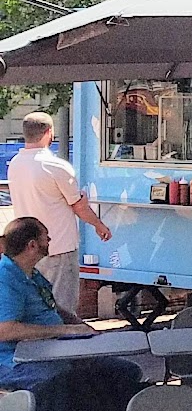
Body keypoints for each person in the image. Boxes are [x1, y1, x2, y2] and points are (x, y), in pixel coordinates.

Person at [0, 217, 142, 411]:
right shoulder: (5, 277)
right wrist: (65, 331)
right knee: (61, 389)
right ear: (33, 245)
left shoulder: (33, 275)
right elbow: (5, 330)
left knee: (123, 374)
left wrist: (80, 326)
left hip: (59, 354)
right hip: (17, 364)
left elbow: (54, 309)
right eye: (46, 236)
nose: (52, 241)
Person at [6, 111, 112, 311]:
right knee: (62, 308)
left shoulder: (15, 164)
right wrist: (99, 225)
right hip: (58, 248)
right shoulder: (56, 166)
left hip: (27, 249)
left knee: (36, 309)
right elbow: (78, 205)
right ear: (49, 132)